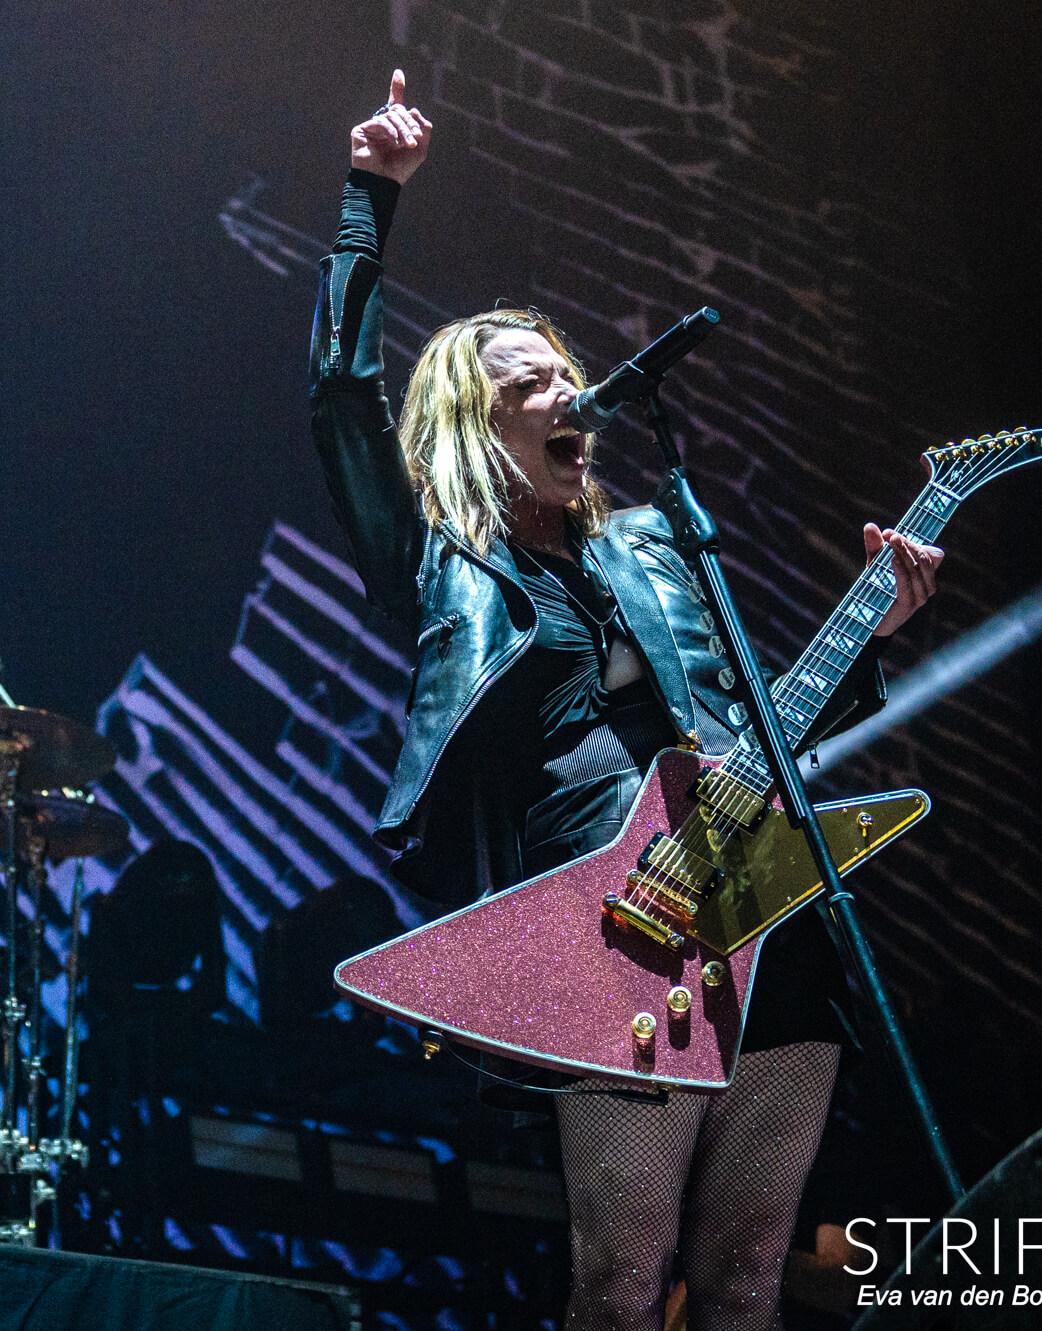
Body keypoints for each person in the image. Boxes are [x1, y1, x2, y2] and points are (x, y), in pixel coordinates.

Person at [311, 71, 945, 1330]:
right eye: (532, 385)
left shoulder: (654, 544)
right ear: (469, 420)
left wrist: (872, 633)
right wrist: (367, 201)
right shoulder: (438, 555)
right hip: (606, 921)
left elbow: (770, 721)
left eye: (569, 377)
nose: (570, 399)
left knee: (748, 1269)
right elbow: (339, 386)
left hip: (769, 890)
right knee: (620, 1268)